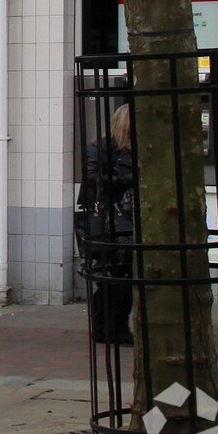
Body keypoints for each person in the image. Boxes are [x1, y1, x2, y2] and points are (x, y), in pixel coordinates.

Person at [77, 103, 136, 345]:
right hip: (111, 220)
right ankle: (112, 327)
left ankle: (106, 327)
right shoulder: (102, 148)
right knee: (116, 275)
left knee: (117, 276)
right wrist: (127, 178)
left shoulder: (132, 150)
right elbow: (92, 178)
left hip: (125, 218)